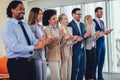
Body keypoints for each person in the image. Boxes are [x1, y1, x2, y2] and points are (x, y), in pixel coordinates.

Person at [2, 1, 46, 80]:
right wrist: (34, 47)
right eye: (20, 9)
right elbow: (14, 47)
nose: (23, 11)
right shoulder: (7, 27)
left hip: (30, 61)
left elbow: (33, 40)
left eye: (24, 9)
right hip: (17, 64)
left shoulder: (25, 25)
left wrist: (41, 41)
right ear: (12, 10)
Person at [68, 8, 92, 80]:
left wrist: (88, 35)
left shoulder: (82, 24)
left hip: (82, 50)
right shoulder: (70, 25)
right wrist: (84, 36)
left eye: (80, 14)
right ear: (73, 15)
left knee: (82, 69)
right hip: (75, 50)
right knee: (75, 70)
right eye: (78, 14)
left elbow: (83, 37)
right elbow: (72, 38)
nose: (80, 16)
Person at [28, 7, 49, 80]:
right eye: (40, 14)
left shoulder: (41, 27)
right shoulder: (30, 27)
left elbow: (44, 40)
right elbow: (30, 42)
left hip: (43, 57)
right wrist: (40, 40)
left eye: (42, 14)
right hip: (36, 57)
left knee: (44, 78)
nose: (42, 15)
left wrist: (47, 40)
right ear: (34, 15)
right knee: (39, 78)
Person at [93, 7, 113, 80]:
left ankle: (100, 76)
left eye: (102, 12)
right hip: (96, 43)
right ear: (96, 13)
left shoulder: (102, 22)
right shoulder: (93, 22)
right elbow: (94, 34)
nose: (102, 13)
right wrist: (104, 32)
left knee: (102, 60)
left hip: (102, 42)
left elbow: (104, 31)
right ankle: (93, 77)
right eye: (100, 12)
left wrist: (108, 32)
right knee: (96, 61)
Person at [58, 13, 78, 80]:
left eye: (67, 18)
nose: (67, 20)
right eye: (65, 18)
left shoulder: (70, 29)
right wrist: (67, 39)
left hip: (70, 51)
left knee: (69, 70)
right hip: (63, 52)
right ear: (60, 21)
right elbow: (60, 44)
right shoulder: (59, 30)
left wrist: (76, 40)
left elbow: (71, 41)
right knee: (64, 71)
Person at [84, 15, 104, 80]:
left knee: (93, 64)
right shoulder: (85, 28)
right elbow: (87, 40)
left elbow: (94, 39)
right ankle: (88, 78)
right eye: (89, 19)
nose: (91, 20)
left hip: (94, 48)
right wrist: (94, 35)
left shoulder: (92, 28)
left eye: (91, 19)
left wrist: (98, 35)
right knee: (89, 65)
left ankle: (92, 78)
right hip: (88, 49)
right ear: (86, 20)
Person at [43, 9, 61, 80]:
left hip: (59, 56)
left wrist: (58, 38)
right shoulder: (47, 29)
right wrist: (59, 38)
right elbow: (49, 45)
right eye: (53, 19)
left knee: (58, 77)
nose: (56, 20)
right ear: (48, 20)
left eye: (56, 18)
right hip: (52, 57)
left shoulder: (57, 29)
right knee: (56, 78)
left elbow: (59, 42)